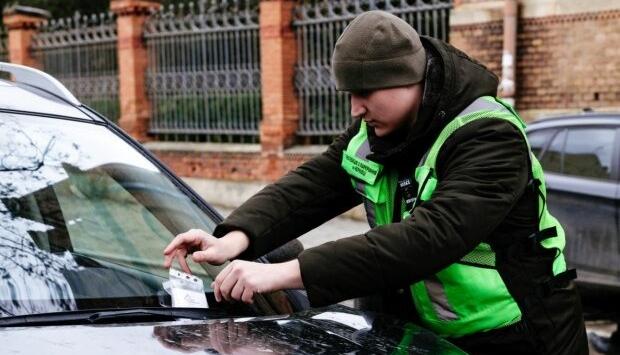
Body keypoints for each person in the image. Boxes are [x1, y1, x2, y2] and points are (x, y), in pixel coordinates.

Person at [163, 10, 587, 354]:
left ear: (410, 79)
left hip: (518, 329)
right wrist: (235, 237)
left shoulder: (488, 135)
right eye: (349, 92)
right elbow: (313, 186)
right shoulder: (376, 132)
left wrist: (281, 275)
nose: (355, 108)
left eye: (365, 92)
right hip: (412, 329)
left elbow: (430, 238)